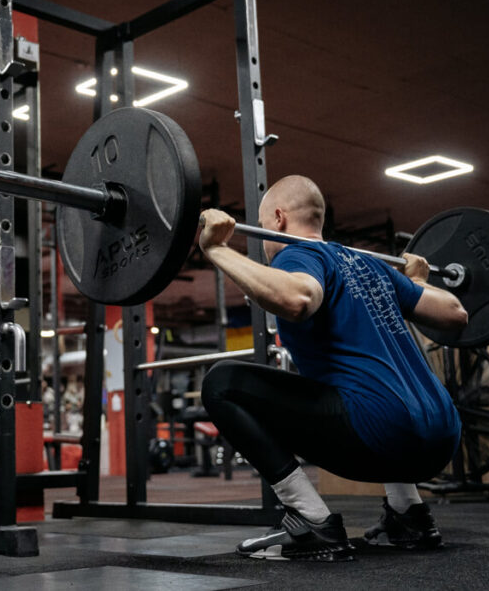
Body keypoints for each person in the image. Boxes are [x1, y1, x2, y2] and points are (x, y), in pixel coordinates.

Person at [198, 175, 468, 562]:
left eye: (260, 226)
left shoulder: (297, 253)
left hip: (380, 437)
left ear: (277, 218)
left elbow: (297, 298)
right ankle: (410, 515)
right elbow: (456, 312)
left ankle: (312, 523)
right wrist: (417, 283)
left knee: (223, 383)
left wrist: (217, 249)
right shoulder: (372, 266)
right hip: (443, 440)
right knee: (372, 386)